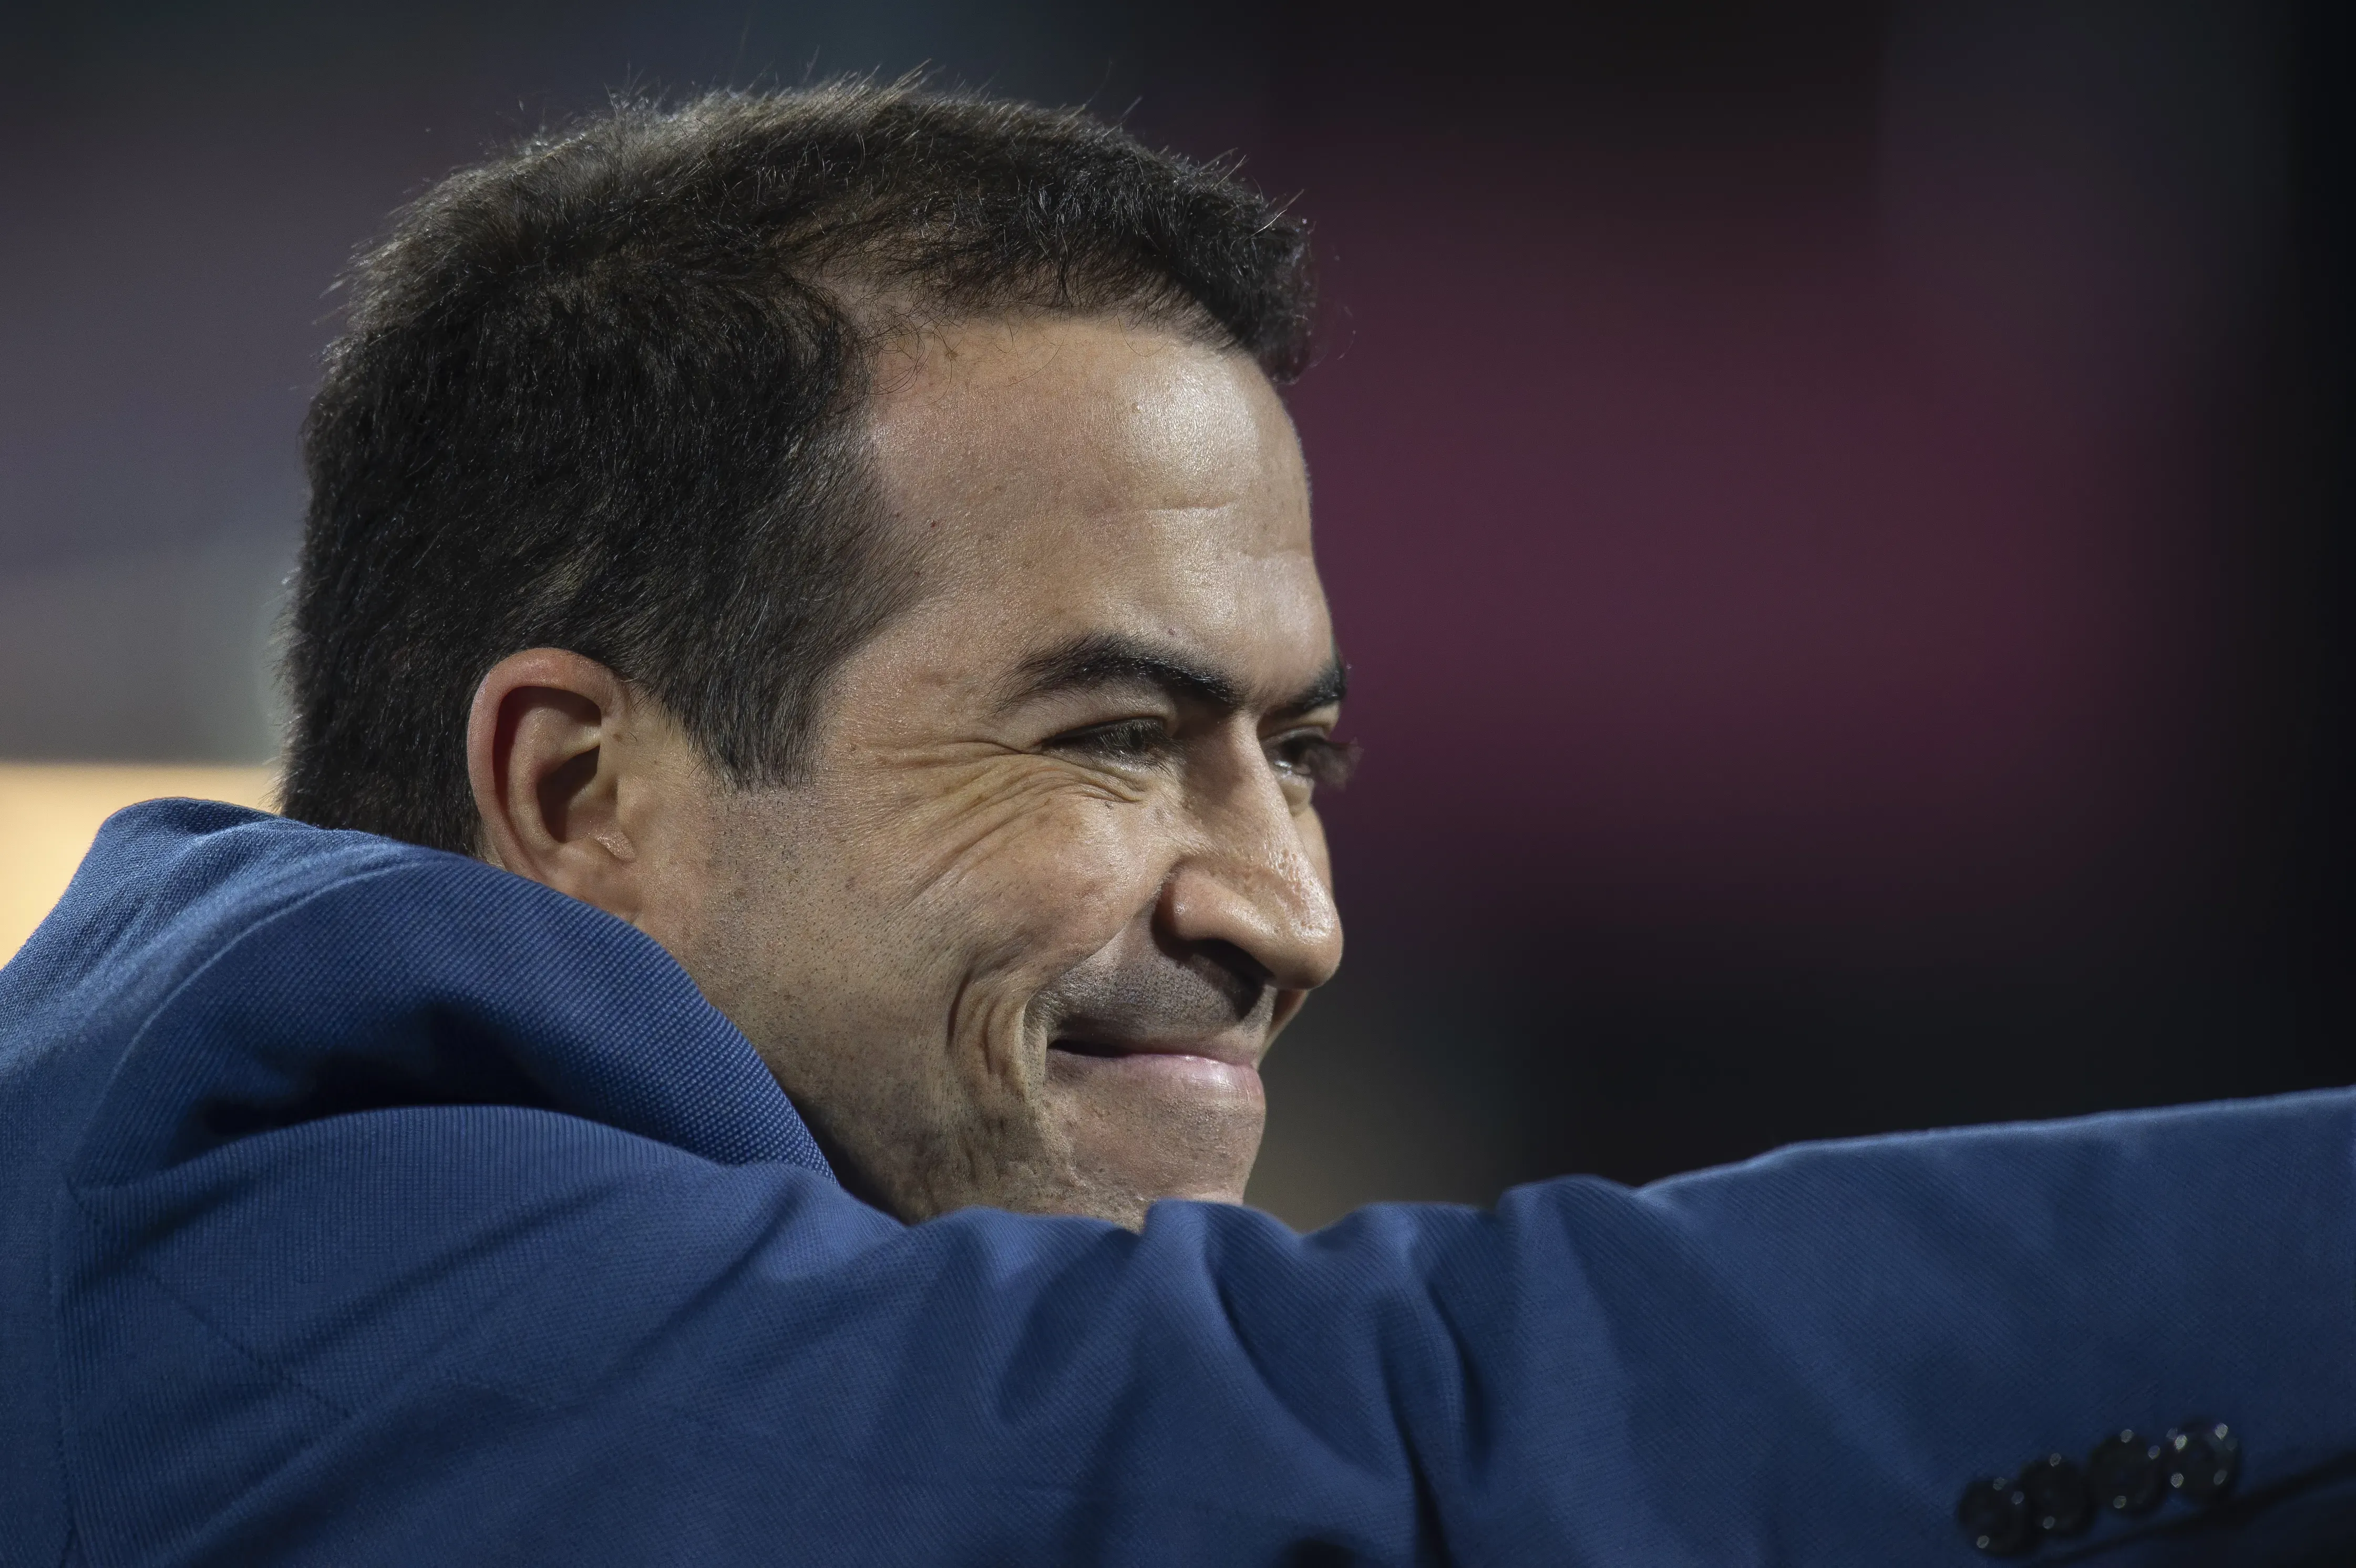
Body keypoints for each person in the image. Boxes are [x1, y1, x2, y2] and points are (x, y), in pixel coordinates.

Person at [1, 83, 2349, 1565]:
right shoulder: (262, 1216)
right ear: (577, 788)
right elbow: (1399, 1433)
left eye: (1299, 757)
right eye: (1118, 735)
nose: (1284, 909)